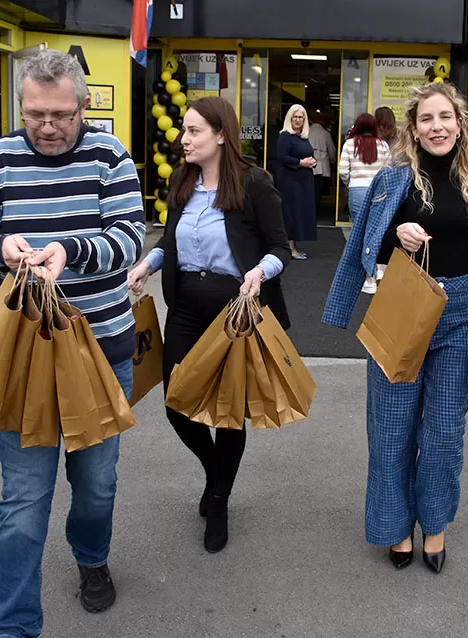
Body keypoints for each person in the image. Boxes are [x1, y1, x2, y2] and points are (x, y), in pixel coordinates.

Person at [0, 49, 145, 636]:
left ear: (83, 104)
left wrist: (71, 250)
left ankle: (91, 556)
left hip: (104, 352)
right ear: (21, 105)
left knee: (96, 486)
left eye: (61, 114)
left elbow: (131, 238)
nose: (49, 127)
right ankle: (14, 626)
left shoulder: (111, 156)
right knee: (23, 501)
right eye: (36, 115)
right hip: (25, 359)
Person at [322, 82, 468, 575]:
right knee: (391, 430)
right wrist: (394, 234)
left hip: (458, 313)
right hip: (402, 307)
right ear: (414, 127)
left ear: (460, 121)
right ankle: (395, 528)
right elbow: (364, 245)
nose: (437, 126)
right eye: (427, 119)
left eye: (445, 117)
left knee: (445, 431)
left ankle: (436, 524)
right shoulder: (394, 178)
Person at [127, 96, 290, 554]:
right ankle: (217, 469)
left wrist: (260, 271)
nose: (184, 139)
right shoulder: (183, 181)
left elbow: (279, 248)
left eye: (194, 131)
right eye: (184, 130)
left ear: (221, 134)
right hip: (184, 307)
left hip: (234, 312)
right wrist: (150, 263)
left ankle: (219, 498)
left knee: (228, 411)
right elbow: (173, 241)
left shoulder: (255, 184)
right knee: (176, 403)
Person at [338, 113, 393, 294]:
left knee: (361, 233)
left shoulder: (349, 144)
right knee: (377, 232)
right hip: (379, 192)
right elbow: (389, 170)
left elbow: (343, 171)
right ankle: (379, 271)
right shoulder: (383, 145)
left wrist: (350, 184)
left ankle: (368, 279)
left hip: (358, 191)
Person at [277, 104, 318, 259]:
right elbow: (282, 157)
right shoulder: (285, 136)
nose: (298, 120)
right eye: (295, 116)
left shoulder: (302, 137)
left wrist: (312, 162)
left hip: (303, 179)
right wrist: (301, 163)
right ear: (290, 118)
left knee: (300, 212)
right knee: (291, 213)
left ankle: (294, 246)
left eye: (301, 117)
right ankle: (290, 248)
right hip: (290, 180)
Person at [308, 113, 337, 215]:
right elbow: (332, 150)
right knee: (317, 191)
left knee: (308, 191)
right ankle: (315, 212)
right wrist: (333, 161)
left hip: (307, 164)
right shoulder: (325, 133)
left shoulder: (306, 132)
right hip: (321, 165)